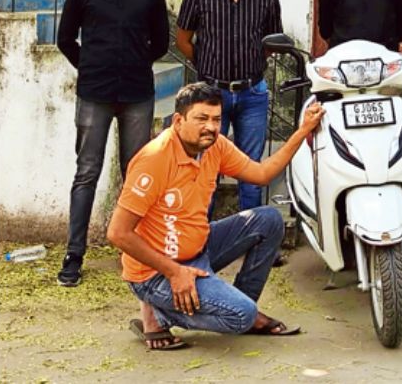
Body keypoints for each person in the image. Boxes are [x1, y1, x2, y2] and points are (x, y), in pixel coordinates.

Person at [108, 82, 326, 350]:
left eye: (216, 119)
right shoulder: (154, 159)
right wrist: (174, 272)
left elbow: (262, 174)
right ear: (178, 121)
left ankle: (235, 306)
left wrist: (303, 130)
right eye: (201, 119)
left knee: (269, 220)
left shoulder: (216, 146)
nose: (211, 127)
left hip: (198, 249)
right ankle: (160, 314)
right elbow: (118, 233)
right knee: (242, 316)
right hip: (156, 274)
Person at [54, 0, 170, 287]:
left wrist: (134, 63)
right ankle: (74, 254)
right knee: (87, 171)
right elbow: (65, 39)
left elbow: (161, 43)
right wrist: (91, 66)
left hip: (137, 94)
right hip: (95, 94)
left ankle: (136, 253)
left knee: (136, 174)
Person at [175, 0, 284, 214]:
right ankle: (201, 232)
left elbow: (271, 44)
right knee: (205, 166)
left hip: (253, 94)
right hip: (210, 95)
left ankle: (252, 231)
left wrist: (252, 64)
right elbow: (183, 40)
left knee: (251, 169)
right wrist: (206, 66)